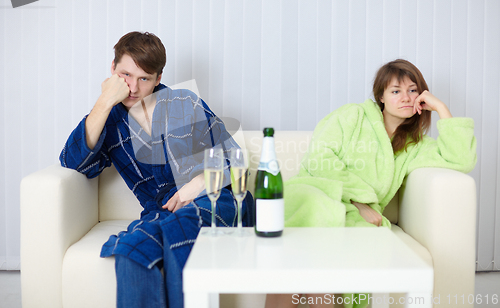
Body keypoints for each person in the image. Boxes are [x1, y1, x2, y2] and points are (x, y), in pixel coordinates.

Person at [60, 31, 253, 308]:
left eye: (144, 78)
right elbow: (73, 162)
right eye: (125, 75)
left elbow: (235, 158)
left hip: (213, 198)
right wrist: (104, 102)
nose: (133, 88)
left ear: (158, 78)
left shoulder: (184, 102)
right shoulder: (108, 120)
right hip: (161, 212)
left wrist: (197, 184)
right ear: (112, 70)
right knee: (131, 249)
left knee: (181, 226)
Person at [266, 59, 477, 308]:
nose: (406, 97)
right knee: (293, 270)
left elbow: (460, 159)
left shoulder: (415, 146)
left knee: (323, 271)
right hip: (314, 194)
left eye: (412, 90)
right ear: (381, 97)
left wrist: (441, 108)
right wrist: (358, 202)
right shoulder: (352, 115)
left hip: (354, 216)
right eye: (396, 91)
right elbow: (320, 156)